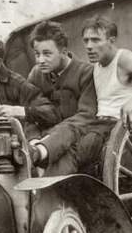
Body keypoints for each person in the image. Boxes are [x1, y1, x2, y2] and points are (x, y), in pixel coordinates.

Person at [30, 16, 132, 173]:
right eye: (86, 41)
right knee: (69, 136)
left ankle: (39, 153)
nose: (89, 46)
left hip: (120, 128)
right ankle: (50, 183)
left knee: (74, 138)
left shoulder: (126, 59)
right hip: (98, 126)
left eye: (96, 40)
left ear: (111, 41)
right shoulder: (96, 66)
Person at [24, 21, 97, 175]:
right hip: (44, 138)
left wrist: (48, 144)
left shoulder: (86, 73)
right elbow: (32, 115)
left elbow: (86, 117)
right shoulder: (36, 74)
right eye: (37, 54)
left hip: (81, 136)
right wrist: (33, 140)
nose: (40, 60)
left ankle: (53, 196)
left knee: (63, 158)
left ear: (63, 52)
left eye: (47, 54)